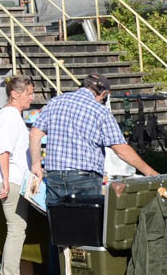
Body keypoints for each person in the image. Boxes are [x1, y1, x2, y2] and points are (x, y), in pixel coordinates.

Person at [28, 73, 157, 209]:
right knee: (85, 224)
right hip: (85, 178)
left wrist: (36, 165)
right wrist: (150, 172)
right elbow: (121, 149)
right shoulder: (100, 111)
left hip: (55, 175)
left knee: (58, 222)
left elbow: (34, 134)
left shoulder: (55, 102)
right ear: (103, 94)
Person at [0, 75, 35, 275]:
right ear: (15, 94)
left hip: (14, 178)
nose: (31, 99)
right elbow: (3, 150)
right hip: (9, 179)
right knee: (16, 229)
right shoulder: (8, 116)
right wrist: (6, 180)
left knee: (17, 228)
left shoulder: (14, 116)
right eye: (28, 94)